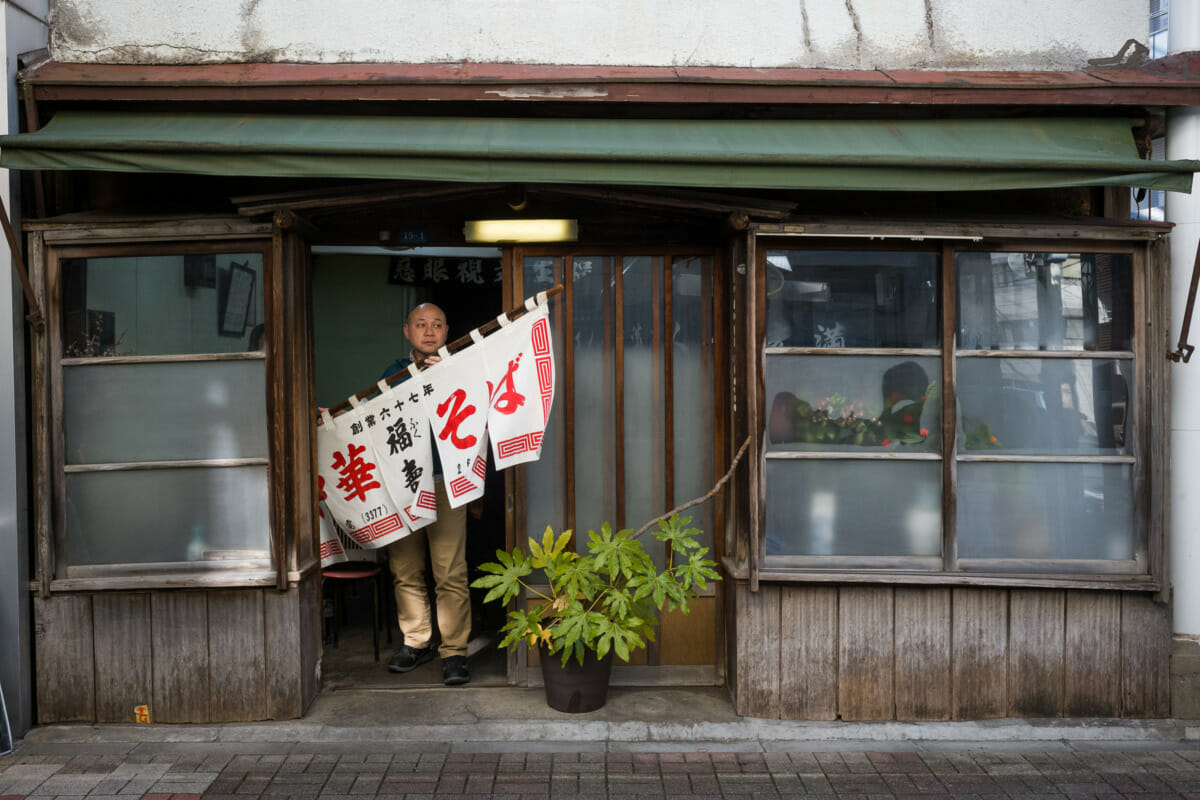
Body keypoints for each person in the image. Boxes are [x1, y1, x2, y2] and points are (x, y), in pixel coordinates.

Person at [380, 302, 471, 686]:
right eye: (421, 324)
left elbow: (476, 409)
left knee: (450, 570)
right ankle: (416, 641)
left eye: (437, 324)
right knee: (405, 567)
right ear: (407, 331)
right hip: (404, 482)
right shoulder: (392, 374)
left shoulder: (461, 366)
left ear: (447, 331)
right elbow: (374, 420)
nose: (429, 331)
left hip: (447, 480)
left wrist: (449, 375)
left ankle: (454, 652)